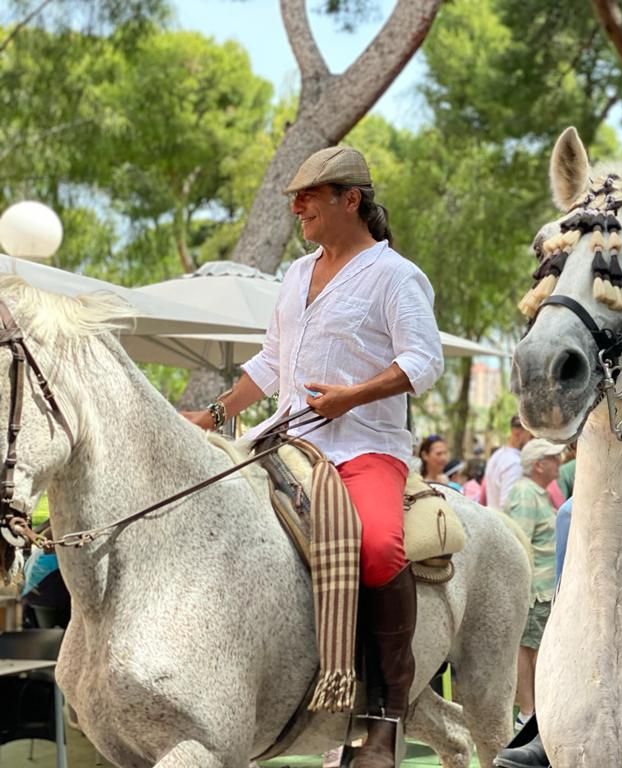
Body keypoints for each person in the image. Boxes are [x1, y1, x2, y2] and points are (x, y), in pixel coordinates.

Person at [181, 144, 443, 768]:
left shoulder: (396, 275)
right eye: (295, 198)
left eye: (309, 197)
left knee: (379, 547)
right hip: (281, 434)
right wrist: (213, 415)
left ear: (350, 200)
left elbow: (423, 362)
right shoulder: (297, 275)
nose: (296, 207)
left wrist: (354, 396)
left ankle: (384, 715)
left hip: (362, 447)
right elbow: (271, 363)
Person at [503, 439, 561, 734]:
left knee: (533, 649)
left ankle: (531, 712)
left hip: (542, 589)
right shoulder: (526, 493)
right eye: (553, 457)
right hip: (534, 590)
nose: (559, 461)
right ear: (539, 464)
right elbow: (519, 541)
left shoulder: (537, 493)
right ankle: (529, 712)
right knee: (530, 650)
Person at [485, 415, 533, 510]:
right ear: (517, 432)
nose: (532, 441)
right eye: (531, 436)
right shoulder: (515, 464)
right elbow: (508, 505)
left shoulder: (497, 455)